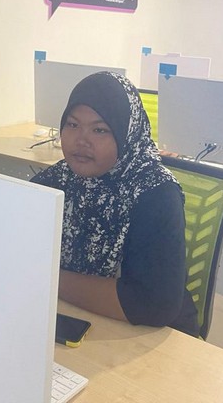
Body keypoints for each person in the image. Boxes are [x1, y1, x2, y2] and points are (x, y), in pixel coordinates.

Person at [31, 71, 200, 337]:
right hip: (76, 316)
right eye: (72, 125)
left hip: (153, 336)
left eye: (99, 130)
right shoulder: (59, 178)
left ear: (126, 133)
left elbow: (153, 305)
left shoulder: (156, 193)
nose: (81, 140)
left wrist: (47, 275)